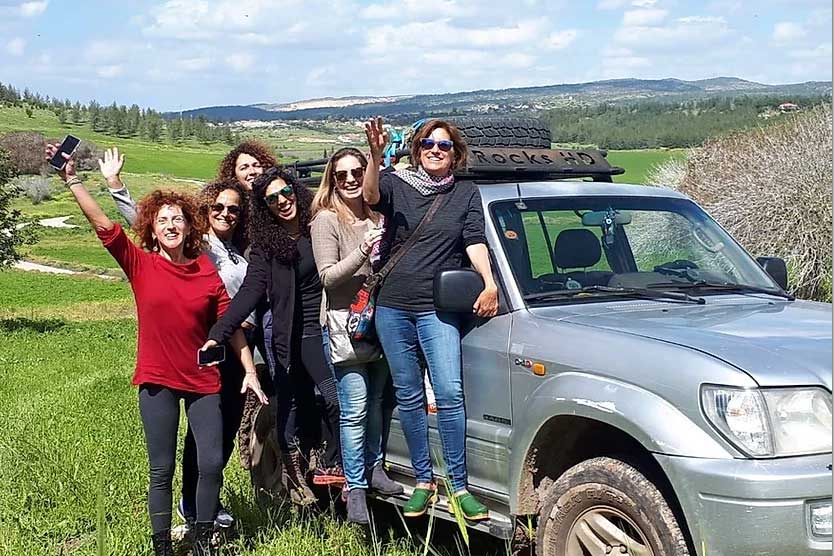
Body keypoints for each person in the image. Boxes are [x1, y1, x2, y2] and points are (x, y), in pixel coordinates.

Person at [44, 142, 268, 556]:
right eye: (163, 219)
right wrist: (72, 179)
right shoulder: (140, 263)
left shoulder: (205, 269)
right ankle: (162, 545)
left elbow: (230, 324)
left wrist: (249, 370)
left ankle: (202, 538)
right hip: (157, 378)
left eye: (178, 219)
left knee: (210, 463)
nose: (171, 225)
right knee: (161, 468)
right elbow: (103, 226)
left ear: (188, 227)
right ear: (152, 226)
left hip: (203, 380)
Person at [98, 148, 258, 529]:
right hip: (175, 364)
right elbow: (139, 224)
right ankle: (177, 527)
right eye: (217, 208)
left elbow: (232, 317)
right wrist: (112, 183)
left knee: (214, 451)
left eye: (233, 209)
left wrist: (250, 367)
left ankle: (203, 519)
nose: (225, 214)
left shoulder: (237, 251)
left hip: (217, 362)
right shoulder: (186, 253)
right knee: (169, 462)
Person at [361, 117, 499, 521]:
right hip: (393, 307)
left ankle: (458, 486)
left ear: (455, 153)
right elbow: (370, 196)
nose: (435, 150)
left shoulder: (465, 193)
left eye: (443, 145)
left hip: (437, 309)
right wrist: (374, 154)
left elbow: (474, 240)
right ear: (416, 149)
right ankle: (424, 481)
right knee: (409, 395)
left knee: (450, 395)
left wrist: (489, 283)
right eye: (427, 144)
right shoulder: (397, 183)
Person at [203, 166, 344, 505]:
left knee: (334, 401)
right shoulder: (268, 249)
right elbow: (249, 293)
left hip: (333, 327)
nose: (282, 201)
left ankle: (338, 466)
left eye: (285, 192)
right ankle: (300, 476)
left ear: (295, 190)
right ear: (264, 208)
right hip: (299, 334)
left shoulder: (319, 227)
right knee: (304, 402)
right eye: (272, 199)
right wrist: (218, 334)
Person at [310, 147, 403, 524]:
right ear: (332, 180)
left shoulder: (380, 217)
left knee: (379, 400)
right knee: (355, 409)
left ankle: (375, 468)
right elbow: (328, 277)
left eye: (356, 172)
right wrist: (364, 250)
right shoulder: (326, 221)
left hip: (380, 323)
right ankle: (356, 487)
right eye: (342, 174)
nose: (349, 180)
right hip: (343, 324)